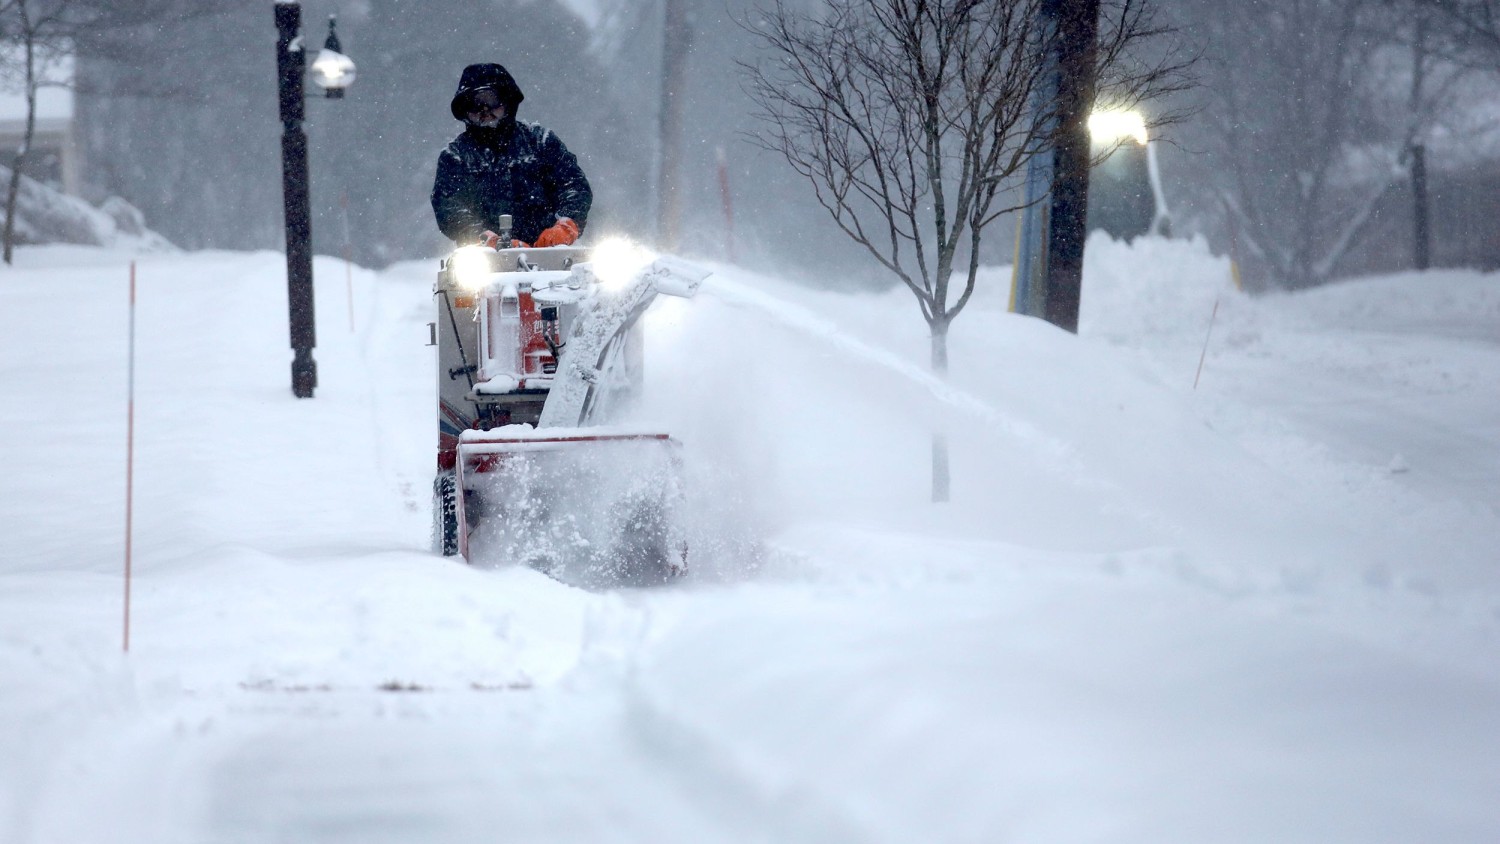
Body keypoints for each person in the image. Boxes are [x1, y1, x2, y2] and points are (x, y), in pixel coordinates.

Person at [431, 63, 592, 249]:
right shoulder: (455, 156)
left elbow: (573, 185)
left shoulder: (540, 141)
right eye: (475, 105)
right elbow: (449, 206)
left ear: (507, 102)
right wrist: (484, 238)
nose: (485, 111)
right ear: (465, 111)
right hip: (483, 263)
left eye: (491, 101)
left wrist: (566, 224)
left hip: (551, 254)